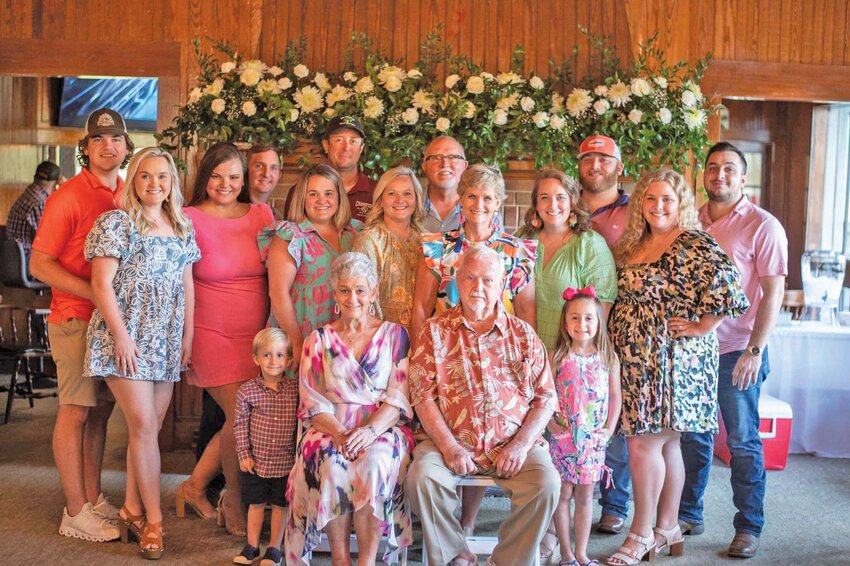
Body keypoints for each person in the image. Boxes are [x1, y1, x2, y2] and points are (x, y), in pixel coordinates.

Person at [604, 169, 749, 566]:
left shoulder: (692, 242)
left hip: (673, 361)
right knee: (665, 444)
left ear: (680, 203)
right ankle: (667, 526)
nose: (658, 206)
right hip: (635, 360)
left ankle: (640, 533)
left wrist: (704, 325)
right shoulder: (636, 243)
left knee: (642, 444)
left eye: (667, 198)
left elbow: (728, 284)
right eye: (650, 199)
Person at [406, 246, 560, 566]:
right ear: (457, 281)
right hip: (448, 442)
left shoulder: (523, 335)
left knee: (546, 484)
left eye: (488, 280)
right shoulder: (434, 332)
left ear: (501, 285)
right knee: (421, 478)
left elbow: (546, 399)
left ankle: (505, 560)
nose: (479, 287)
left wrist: (519, 446)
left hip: (512, 442)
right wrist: (449, 447)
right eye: (471, 278)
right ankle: (457, 553)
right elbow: (422, 395)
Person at [84, 147, 200, 559]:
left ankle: (131, 508)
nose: (155, 184)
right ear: (134, 180)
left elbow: (188, 285)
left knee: (145, 432)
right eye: (146, 176)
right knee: (145, 428)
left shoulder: (182, 225)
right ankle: (155, 521)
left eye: (163, 177)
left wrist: (187, 335)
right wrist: (121, 336)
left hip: (166, 339)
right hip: (126, 338)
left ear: (172, 184)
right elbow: (101, 284)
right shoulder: (117, 222)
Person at [679, 142, 788, 559]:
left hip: (739, 349)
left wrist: (755, 350)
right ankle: (689, 513)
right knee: (693, 437)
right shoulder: (692, 223)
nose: (719, 175)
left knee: (742, 441)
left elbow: (772, 293)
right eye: (712, 168)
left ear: (743, 177)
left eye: (729, 169)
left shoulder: (763, 226)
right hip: (694, 349)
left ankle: (749, 526)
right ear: (703, 176)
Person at [31, 107, 133, 542]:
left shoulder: (128, 192)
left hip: (112, 322)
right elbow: (39, 263)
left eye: (116, 139)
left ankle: (91, 499)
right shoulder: (68, 195)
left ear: (127, 148)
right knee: (74, 411)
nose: (108, 146)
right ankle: (74, 512)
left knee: (100, 413)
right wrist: (93, 292)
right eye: (99, 140)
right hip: (74, 317)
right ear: (86, 148)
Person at [286, 252, 414, 566]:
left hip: (381, 426)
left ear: (373, 293)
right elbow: (312, 401)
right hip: (330, 427)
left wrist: (369, 431)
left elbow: (398, 398)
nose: (352, 297)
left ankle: (367, 561)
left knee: (374, 463)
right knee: (332, 465)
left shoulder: (395, 335)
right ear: (334, 294)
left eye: (360, 289)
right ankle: (341, 560)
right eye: (344, 290)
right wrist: (342, 434)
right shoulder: (317, 340)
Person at [178, 142, 275, 536]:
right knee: (243, 418)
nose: (226, 184)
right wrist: (183, 338)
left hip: (256, 338)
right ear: (205, 178)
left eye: (234, 177)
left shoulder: (261, 213)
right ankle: (235, 499)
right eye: (217, 176)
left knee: (240, 419)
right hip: (209, 332)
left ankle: (193, 486)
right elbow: (178, 282)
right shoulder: (187, 217)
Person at [411, 164, 536, 340]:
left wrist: (526, 359)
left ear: (497, 203)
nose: (479, 204)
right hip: (446, 349)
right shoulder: (437, 248)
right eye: (472, 196)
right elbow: (421, 309)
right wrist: (419, 355)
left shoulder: (517, 252)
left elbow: (526, 314)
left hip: (500, 353)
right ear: (461, 200)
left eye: (487, 198)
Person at [577, 134, 631, 536]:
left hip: (618, 325)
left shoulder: (633, 213)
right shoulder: (565, 204)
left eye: (604, 159)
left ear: (619, 167)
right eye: (588, 159)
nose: (596, 166)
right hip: (569, 327)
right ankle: (571, 495)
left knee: (613, 410)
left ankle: (614, 502)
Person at [260, 163, 362, 372]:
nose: (321, 200)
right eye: (313, 194)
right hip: (301, 333)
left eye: (328, 193)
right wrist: (297, 343)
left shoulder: (356, 232)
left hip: (345, 340)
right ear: (302, 199)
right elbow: (278, 293)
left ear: (339, 197)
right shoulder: (290, 235)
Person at [547, 286, 621, 566]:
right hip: (564, 438)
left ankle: (582, 553)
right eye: (575, 318)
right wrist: (552, 424)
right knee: (563, 493)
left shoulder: (607, 357)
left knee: (586, 496)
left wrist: (610, 427)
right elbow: (545, 395)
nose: (582, 324)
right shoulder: (556, 357)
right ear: (565, 323)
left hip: (592, 440)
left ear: (599, 321)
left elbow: (616, 396)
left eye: (589, 318)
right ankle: (566, 553)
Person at [516, 168, 617, 351]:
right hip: (524, 348)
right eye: (544, 197)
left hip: (569, 352)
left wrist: (579, 353)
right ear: (536, 204)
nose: (552, 205)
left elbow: (602, 307)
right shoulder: (522, 239)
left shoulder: (590, 244)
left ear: (572, 202)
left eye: (561, 197)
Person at [232, 328, 298, 566]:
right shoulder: (247, 391)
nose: (273, 361)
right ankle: (251, 546)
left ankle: (273, 548)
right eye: (267, 355)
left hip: (285, 462)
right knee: (255, 503)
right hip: (256, 462)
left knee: (281, 505)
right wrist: (244, 454)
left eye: (280, 355)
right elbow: (239, 425)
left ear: (288, 360)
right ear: (256, 358)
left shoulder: (295, 390)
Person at [353, 166, 426, 332]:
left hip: (421, 333)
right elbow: (359, 299)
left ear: (416, 199)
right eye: (392, 193)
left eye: (407, 193)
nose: (400, 200)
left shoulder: (427, 241)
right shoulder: (369, 241)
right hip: (381, 336)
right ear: (381, 200)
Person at [283, 116, 375, 222]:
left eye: (353, 141)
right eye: (339, 140)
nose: (346, 148)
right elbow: (288, 234)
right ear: (326, 145)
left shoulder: (377, 192)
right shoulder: (300, 191)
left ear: (361, 148)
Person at [7, 160, 61, 258]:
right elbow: (50, 241)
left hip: (14, 262)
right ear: (57, 182)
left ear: (35, 177)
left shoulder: (29, 195)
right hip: (28, 261)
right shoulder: (39, 203)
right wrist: (64, 191)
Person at [420, 136, 469, 233]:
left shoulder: (482, 208)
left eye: (453, 157)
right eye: (436, 158)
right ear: (424, 166)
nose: (444, 164)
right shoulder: (407, 205)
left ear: (464, 166)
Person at [238, 144, 284, 220]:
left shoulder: (277, 218)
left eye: (273, 168)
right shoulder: (232, 212)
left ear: (279, 175)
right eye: (259, 166)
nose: (266, 174)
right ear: (246, 171)